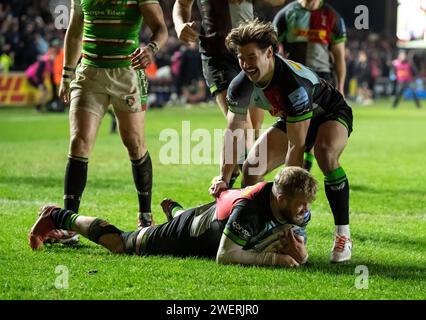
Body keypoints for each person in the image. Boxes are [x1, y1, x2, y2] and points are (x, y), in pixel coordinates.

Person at [209, 20, 353, 263]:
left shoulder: (291, 85)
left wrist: (287, 207)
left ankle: (340, 235)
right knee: (252, 167)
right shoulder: (240, 85)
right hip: (293, 117)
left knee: (325, 154)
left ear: (269, 52)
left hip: (329, 113)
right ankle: (260, 234)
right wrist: (223, 176)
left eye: (251, 57)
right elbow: (234, 131)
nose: (245, 64)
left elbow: (296, 147)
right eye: (241, 57)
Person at [29, 167, 317, 268]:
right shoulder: (250, 210)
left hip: (212, 220)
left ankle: (176, 210)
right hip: (189, 233)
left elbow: (296, 239)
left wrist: (300, 254)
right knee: (122, 244)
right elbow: (226, 255)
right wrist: (274, 260)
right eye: (301, 206)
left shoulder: (293, 203)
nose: (305, 211)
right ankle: (58, 215)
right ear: (281, 199)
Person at [55, 0, 168, 244]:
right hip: (89, 72)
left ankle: (145, 217)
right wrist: (67, 72)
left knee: (134, 143)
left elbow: (160, 28)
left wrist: (151, 48)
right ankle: (69, 224)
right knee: (78, 142)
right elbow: (75, 30)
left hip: (126, 73)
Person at [172, 0, 286, 186]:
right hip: (217, 55)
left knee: (255, 128)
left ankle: (231, 184)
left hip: (251, 53)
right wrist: (179, 25)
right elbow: (182, 4)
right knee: (242, 124)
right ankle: (251, 191)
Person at [273, 0, 347, 170]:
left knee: (317, 123)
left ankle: (304, 164)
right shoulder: (286, 15)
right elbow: (273, 50)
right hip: (294, 78)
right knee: (296, 123)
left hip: (323, 78)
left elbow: (339, 57)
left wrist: (341, 86)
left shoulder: (333, 17)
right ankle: (295, 165)